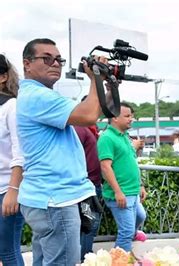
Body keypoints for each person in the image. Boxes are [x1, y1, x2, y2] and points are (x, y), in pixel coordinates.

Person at [16, 38, 109, 265]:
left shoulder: (36, 95)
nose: (55, 63)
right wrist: (95, 77)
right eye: (47, 58)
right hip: (55, 200)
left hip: (47, 198)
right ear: (27, 64)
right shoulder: (38, 96)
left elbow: (90, 111)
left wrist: (102, 81)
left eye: (59, 59)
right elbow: (88, 115)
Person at [98, 102, 147, 251]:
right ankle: (120, 260)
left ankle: (128, 246)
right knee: (126, 232)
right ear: (114, 118)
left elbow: (131, 162)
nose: (131, 119)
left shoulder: (125, 136)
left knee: (140, 216)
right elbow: (105, 167)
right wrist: (118, 192)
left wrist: (140, 185)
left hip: (132, 191)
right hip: (121, 193)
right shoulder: (107, 138)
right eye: (127, 116)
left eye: (131, 116)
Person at [0, 54, 25, 265]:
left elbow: (20, 152)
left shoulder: (12, 106)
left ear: (2, 77)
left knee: (7, 249)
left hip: (6, 189)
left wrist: (13, 191)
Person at [74, 96, 103, 261]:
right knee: (88, 226)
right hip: (85, 187)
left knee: (89, 226)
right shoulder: (80, 128)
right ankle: (83, 260)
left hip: (92, 186)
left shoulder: (92, 129)